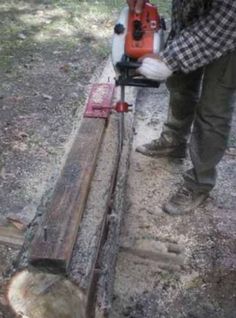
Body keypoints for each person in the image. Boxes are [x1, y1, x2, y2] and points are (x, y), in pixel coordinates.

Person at [127, 0, 236, 215]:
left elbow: (228, 19)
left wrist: (170, 59)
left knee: (213, 109)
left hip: (229, 33)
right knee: (179, 82)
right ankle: (174, 141)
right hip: (190, 15)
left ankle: (200, 182)